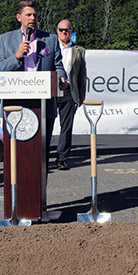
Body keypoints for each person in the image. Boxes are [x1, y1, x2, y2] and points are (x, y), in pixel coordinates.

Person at [0, 0, 66, 167]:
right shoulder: (5, 39)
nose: (32, 17)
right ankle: (15, 192)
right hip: (14, 105)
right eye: (28, 14)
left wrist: (62, 78)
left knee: (41, 156)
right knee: (16, 156)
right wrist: (16, 56)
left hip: (44, 105)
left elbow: (58, 66)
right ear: (19, 17)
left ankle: (40, 192)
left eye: (35, 14)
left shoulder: (50, 39)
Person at [55, 19, 87, 170]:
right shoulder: (50, 47)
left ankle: (62, 157)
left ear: (71, 31)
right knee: (46, 126)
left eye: (67, 30)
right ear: (57, 31)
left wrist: (81, 94)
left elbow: (82, 74)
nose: (64, 32)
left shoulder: (79, 50)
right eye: (61, 30)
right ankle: (42, 157)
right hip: (50, 91)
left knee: (66, 127)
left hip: (69, 91)